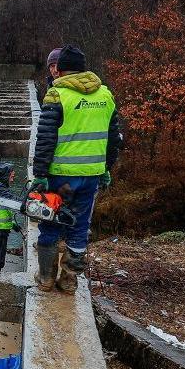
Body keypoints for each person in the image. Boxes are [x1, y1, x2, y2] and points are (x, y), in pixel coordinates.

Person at [32, 44, 123, 293]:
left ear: (59, 70)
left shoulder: (57, 95)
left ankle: (46, 278)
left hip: (61, 177)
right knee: (80, 227)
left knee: (49, 223)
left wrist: (40, 174)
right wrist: (106, 168)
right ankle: (70, 280)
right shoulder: (105, 95)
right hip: (91, 176)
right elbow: (113, 139)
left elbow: (45, 139)